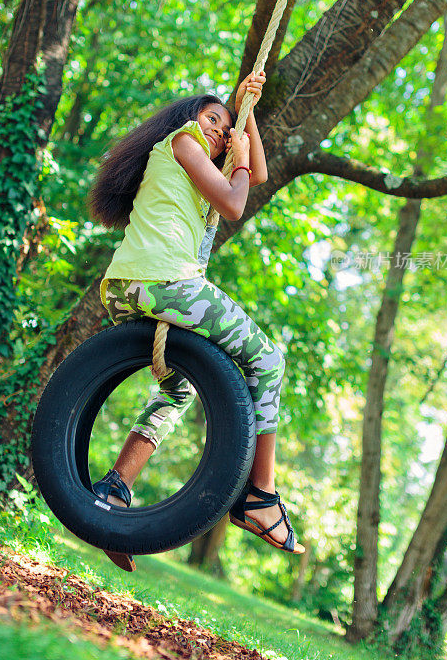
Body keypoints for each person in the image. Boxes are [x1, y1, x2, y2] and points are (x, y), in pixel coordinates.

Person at [89, 71, 304, 570]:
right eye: (213, 119)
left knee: (178, 388)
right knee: (268, 359)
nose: (218, 132)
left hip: (133, 286)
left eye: (224, 130)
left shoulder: (191, 164)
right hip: (164, 282)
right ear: (189, 118)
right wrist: (238, 141)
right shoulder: (182, 141)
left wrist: (245, 117)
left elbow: (260, 175)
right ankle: (261, 495)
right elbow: (234, 202)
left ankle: (115, 487)